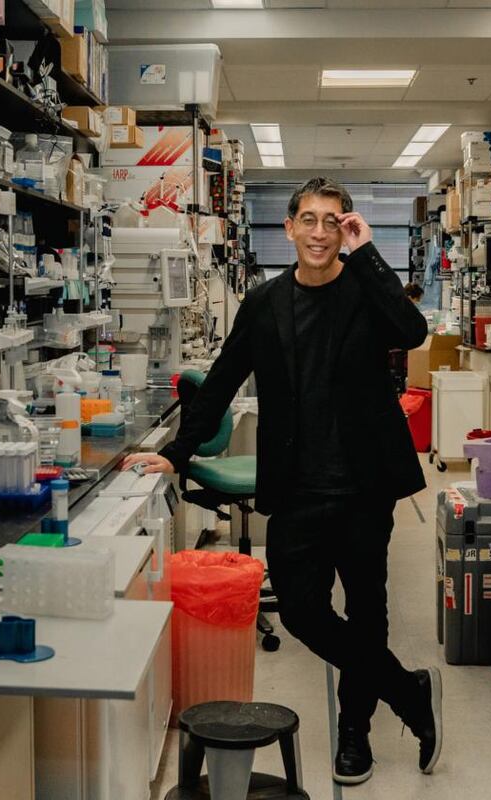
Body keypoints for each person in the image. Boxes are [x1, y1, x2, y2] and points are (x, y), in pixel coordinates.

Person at [122, 176, 443, 785]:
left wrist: (368, 251)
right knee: (300, 611)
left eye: (334, 221)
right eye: (310, 220)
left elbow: (412, 332)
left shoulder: (364, 289)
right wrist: (178, 452)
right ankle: (408, 691)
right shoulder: (265, 303)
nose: (320, 232)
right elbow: (220, 381)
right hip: (297, 486)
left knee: (368, 612)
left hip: (364, 485)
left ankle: (355, 735)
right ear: (289, 227)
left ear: (345, 229)